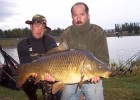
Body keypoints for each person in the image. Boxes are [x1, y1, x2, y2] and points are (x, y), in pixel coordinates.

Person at [60, 2, 109, 100]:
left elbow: (103, 59)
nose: (78, 18)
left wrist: (98, 75)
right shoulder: (66, 34)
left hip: (92, 80)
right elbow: (59, 57)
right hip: (70, 80)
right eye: (75, 15)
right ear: (72, 17)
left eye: (82, 14)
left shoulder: (98, 32)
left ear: (88, 15)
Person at [17, 14, 61, 100]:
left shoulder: (50, 40)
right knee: (27, 81)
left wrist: (51, 76)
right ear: (31, 26)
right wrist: (34, 73)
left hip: (48, 72)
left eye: (43, 28)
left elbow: (56, 58)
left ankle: (49, 96)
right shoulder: (23, 44)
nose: (40, 30)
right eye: (37, 26)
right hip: (33, 73)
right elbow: (25, 64)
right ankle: (32, 97)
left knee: (54, 93)